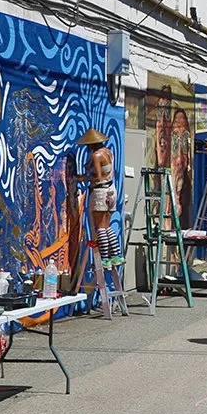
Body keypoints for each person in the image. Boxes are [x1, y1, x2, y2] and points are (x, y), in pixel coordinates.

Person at [81, 129, 126, 318]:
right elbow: (109, 174)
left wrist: (82, 178)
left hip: (99, 191)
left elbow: (98, 177)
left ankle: (105, 258)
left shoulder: (96, 155)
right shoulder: (109, 152)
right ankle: (115, 256)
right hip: (111, 190)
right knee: (107, 226)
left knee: (99, 227)